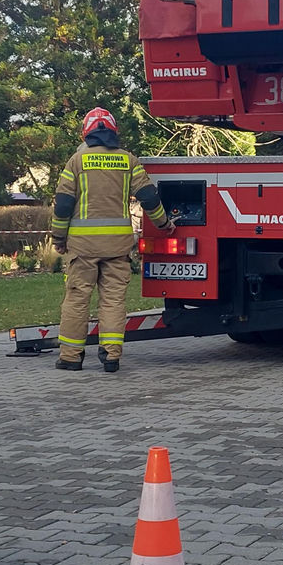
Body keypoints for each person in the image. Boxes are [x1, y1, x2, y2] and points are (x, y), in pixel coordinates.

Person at [52, 108, 174, 373]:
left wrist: (59, 238)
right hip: (117, 247)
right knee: (113, 301)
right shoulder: (128, 160)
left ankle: (71, 357)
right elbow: (149, 197)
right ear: (113, 132)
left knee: (77, 299)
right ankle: (111, 356)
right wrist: (164, 224)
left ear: (86, 133)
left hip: (82, 248)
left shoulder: (77, 161)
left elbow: (63, 204)